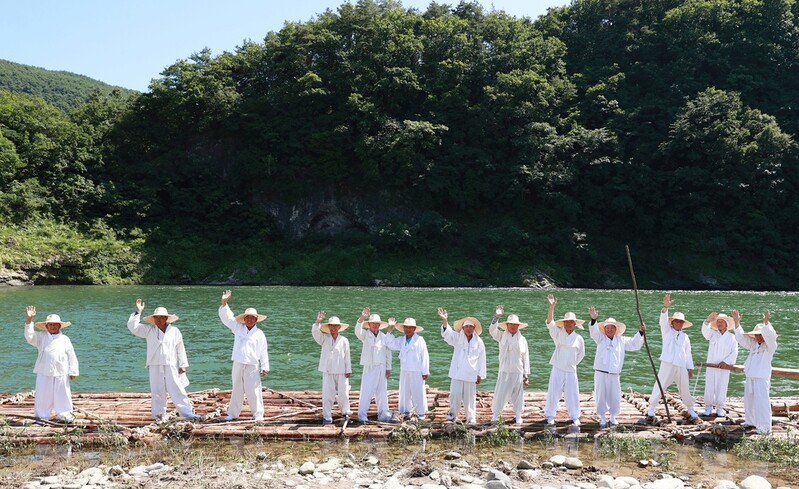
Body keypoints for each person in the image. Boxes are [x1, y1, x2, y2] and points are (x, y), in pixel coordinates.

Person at [128, 299, 202, 421]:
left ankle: (188, 413)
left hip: (170, 364)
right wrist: (138, 312)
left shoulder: (175, 331)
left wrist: (183, 364)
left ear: (166, 318)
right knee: (157, 391)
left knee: (177, 388)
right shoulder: (149, 330)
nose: (158, 320)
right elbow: (133, 328)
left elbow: (180, 348)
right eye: (156, 318)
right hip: (154, 364)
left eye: (161, 317)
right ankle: (159, 416)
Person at [587, 306, 645, 428]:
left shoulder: (621, 340)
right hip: (600, 372)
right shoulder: (600, 338)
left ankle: (613, 416)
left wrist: (640, 332)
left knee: (615, 395)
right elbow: (593, 332)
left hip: (614, 373)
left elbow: (634, 344)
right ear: (604, 329)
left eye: (611, 328)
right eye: (607, 327)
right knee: (600, 394)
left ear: (615, 329)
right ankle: (602, 416)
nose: (609, 330)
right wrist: (593, 319)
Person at [218, 290, 269, 421]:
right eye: (248, 318)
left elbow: (263, 351)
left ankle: (258, 414)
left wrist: (265, 366)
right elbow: (227, 318)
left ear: (256, 320)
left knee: (254, 390)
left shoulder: (260, 334)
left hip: (252, 364)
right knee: (237, 389)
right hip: (238, 362)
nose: (250, 320)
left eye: (252, 318)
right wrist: (224, 302)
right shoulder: (238, 328)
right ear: (244, 319)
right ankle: (233, 414)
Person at [646, 293, 699, 421]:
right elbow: (662, 321)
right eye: (677, 321)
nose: (679, 323)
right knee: (660, 384)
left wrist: (690, 368)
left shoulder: (685, 337)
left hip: (681, 364)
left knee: (685, 387)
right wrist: (665, 307)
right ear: (673, 322)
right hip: (668, 363)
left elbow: (688, 353)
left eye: (681, 322)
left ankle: (690, 408)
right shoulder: (667, 331)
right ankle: (651, 407)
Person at [24, 306, 79, 423]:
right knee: (42, 396)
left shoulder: (65, 339)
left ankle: (65, 415)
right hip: (44, 370)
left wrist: (73, 370)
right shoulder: (41, 337)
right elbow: (29, 337)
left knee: (63, 395)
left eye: (55, 324)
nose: (53, 326)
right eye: (50, 324)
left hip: (62, 371)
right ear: (46, 326)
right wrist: (29, 320)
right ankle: (41, 417)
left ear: (59, 325)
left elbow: (71, 355)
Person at [438, 307, 487, 424]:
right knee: (455, 395)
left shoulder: (479, 342)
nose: (469, 329)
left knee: (470, 397)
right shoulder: (457, 337)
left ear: (474, 328)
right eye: (466, 327)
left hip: (471, 373)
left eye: (471, 327)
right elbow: (447, 334)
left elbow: (482, 358)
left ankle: (471, 417)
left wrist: (480, 374)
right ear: (463, 328)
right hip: (458, 372)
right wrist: (445, 320)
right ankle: (452, 414)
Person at [733, 309, 778, 434]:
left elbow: (771, 337)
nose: (758, 336)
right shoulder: (753, 345)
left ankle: (764, 427)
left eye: (761, 334)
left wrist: (766, 323)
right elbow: (741, 339)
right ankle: (750, 421)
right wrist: (736, 322)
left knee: (762, 402)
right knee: (749, 400)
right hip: (750, 376)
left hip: (761, 378)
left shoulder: (770, 347)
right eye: (757, 334)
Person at [544, 294, 586, 426]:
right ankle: (550, 415)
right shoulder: (557, 333)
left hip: (571, 370)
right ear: (564, 323)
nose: (569, 324)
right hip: (557, 367)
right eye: (566, 322)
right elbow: (550, 322)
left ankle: (574, 416)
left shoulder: (578, 338)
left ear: (574, 324)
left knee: (572, 394)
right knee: (553, 392)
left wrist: (573, 363)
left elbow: (581, 354)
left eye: (571, 322)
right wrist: (551, 307)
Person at [489, 305, 530, 425]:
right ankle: (496, 414)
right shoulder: (501, 336)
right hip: (504, 370)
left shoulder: (522, 340)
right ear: (507, 325)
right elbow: (492, 331)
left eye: (515, 324)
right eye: (511, 324)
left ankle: (518, 415)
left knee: (518, 395)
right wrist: (496, 316)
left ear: (518, 326)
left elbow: (525, 358)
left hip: (517, 371)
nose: (513, 326)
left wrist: (526, 375)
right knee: (500, 393)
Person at [385, 317, 430, 420]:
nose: (408, 329)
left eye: (410, 328)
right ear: (403, 328)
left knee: (418, 391)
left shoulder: (420, 340)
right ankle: (405, 411)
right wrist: (390, 328)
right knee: (404, 391)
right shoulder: (401, 340)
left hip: (417, 370)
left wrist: (425, 371)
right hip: (404, 369)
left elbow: (425, 356)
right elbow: (390, 344)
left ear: (414, 329)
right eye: (406, 327)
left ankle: (421, 413)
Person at [353, 308, 393, 423]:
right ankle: (362, 415)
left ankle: (383, 414)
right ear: (369, 324)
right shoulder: (365, 335)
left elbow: (388, 353)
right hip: (369, 366)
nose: (375, 325)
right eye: (373, 323)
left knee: (382, 391)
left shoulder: (384, 337)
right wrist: (362, 317)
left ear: (380, 325)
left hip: (381, 367)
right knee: (366, 391)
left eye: (377, 323)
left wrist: (388, 368)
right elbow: (357, 331)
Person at [312, 312, 353, 425]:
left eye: (335, 326)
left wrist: (348, 369)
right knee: (327, 393)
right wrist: (318, 322)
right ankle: (327, 415)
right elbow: (315, 333)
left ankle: (345, 411)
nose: (333, 328)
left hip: (341, 370)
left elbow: (347, 356)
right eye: (331, 326)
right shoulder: (324, 338)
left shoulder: (344, 340)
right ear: (328, 327)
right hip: (328, 370)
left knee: (343, 392)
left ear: (339, 327)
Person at [700, 311, 739, 417]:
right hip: (711, 366)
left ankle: (719, 408)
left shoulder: (732, 338)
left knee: (722, 386)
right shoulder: (712, 334)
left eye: (722, 322)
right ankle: (708, 407)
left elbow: (734, 352)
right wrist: (708, 320)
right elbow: (704, 332)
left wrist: (726, 362)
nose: (720, 323)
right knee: (709, 386)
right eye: (718, 322)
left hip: (724, 367)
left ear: (726, 324)